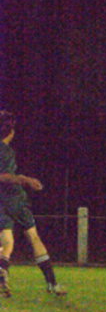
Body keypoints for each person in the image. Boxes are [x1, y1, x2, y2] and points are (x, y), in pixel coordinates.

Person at [0, 110, 67, 297]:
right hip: (13, 199)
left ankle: (2, 269)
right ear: (10, 131)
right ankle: (52, 283)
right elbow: (3, 176)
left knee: (7, 240)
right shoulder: (5, 150)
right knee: (33, 237)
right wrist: (25, 180)